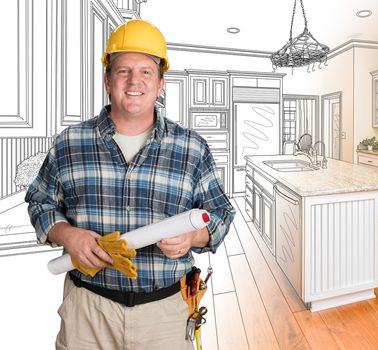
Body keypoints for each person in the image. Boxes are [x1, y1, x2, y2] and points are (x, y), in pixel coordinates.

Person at [25, 19, 235, 350]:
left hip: (165, 313)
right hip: (87, 311)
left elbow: (220, 213)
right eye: (123, 71)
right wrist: (67, 234)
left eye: (146, 71)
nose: (134, 81)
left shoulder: (192, 148)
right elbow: (40, 202)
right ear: (108, 81)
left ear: (161, 83)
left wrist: (193, 236)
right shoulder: (70, 143)